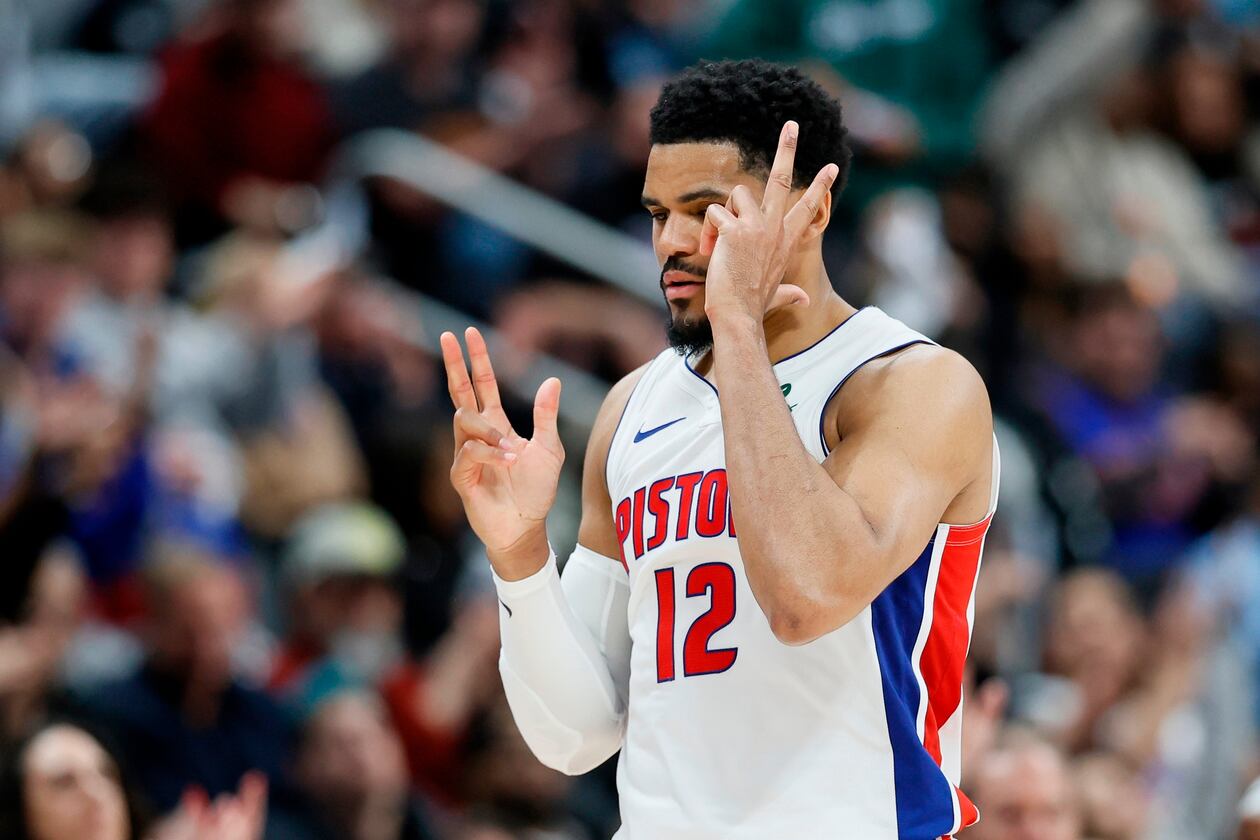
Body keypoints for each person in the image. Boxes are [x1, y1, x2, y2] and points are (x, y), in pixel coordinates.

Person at [441, 59, 999, 838]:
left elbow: (807, 597)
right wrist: (520, 553)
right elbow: (574, 738)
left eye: (704, 211)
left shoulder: (911, 385)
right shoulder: (632, 407)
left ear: (810, 208)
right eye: (656, 213)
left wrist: (738, 327)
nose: (670, 241)